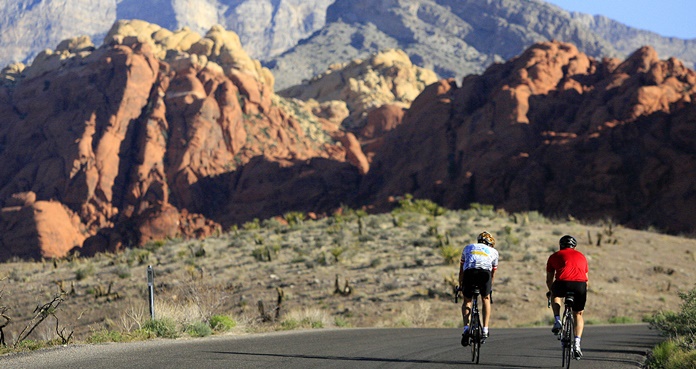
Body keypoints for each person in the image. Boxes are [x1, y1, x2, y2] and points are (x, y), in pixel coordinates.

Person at [546, 235, 589, 359]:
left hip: (562, 284)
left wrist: (551, 291)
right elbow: (587, 281)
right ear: (574, 247)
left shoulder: (554, 256)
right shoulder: (582, 256)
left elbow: (549, 279)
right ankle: (577, 343)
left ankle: (558, 320)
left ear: (560, 246)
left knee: (555, 293)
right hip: (580, 286)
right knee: (578, 314)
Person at [459, 231, 499, 346]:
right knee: (485, 299)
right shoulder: (494, 252)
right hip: (484, 274)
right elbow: (492, 273)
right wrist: (489, 288)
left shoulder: (468, 247)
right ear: (490, 244)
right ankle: (485, 329)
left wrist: (460, 285)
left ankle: (466, 328)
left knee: (467, 301)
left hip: (469, 273)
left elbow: (461, 269)